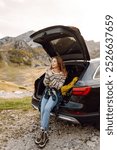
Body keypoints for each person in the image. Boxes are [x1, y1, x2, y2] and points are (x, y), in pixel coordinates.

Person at [35, 56, 67, 148]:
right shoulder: (48, 72)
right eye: (52, 61)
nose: (52, 63)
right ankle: (44, 134)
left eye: (54, 62)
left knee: (47, 108)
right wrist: (48, 77)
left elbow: (58, 86)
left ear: (58, 63)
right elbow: (45, 83)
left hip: (55, 94)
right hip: (47, 92)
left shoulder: (63, 74)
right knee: (42, 109)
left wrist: (51, 77)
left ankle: (44, 134)